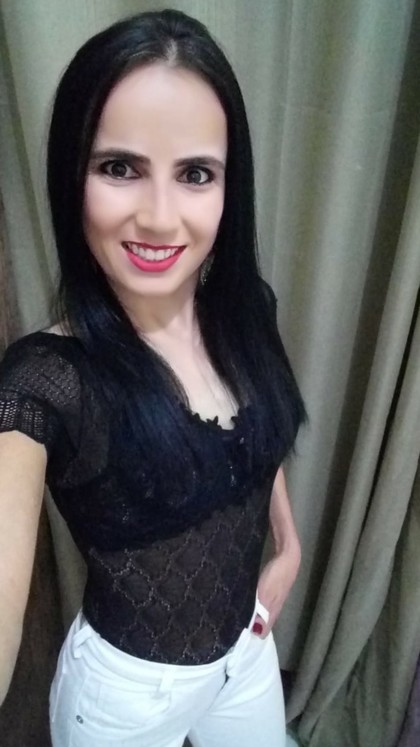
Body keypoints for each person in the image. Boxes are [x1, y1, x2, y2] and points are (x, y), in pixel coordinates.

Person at [0, 9, 306, 747]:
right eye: (119, 168)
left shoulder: (246, 311)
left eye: (195, 174)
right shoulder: (45, 384)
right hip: (125, 700)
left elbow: (255, 440)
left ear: (229, 187)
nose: (161, 218)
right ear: (72, 178)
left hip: (247, 657)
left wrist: (288, 543)